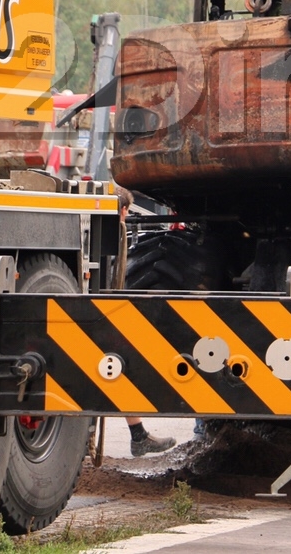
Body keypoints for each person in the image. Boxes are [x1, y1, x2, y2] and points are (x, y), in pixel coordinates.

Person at [115, 185, 176, 457]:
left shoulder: (100, 231)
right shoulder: (115, 233)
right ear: (125, 211)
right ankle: (138, 435)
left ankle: (138, 434)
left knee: (119, 370)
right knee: (121, 369)